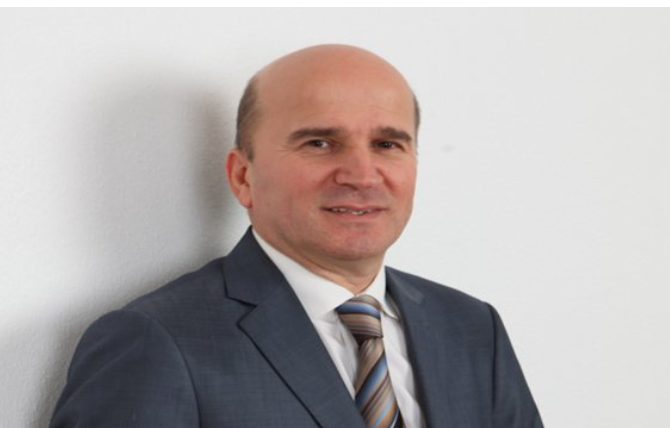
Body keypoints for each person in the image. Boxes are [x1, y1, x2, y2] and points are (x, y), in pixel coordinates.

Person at [49, 45, 543, 428]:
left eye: (387, 144)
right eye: (320, 142)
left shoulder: (471, 328)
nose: (362, 174)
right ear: (242, 176)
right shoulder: (157, 341)